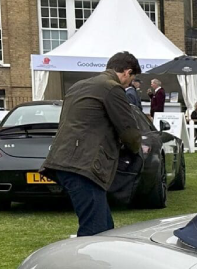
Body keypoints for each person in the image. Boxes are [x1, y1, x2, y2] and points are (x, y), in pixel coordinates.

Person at [43, 51, 150, 237]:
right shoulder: (112, 88)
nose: (129, 84)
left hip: (64, 160)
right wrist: (136, 149)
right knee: (94, 231)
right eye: (131, 79)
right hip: (84, 166)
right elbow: (128, 130)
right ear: (127, 72)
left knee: (105, 228)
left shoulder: (78, 86)